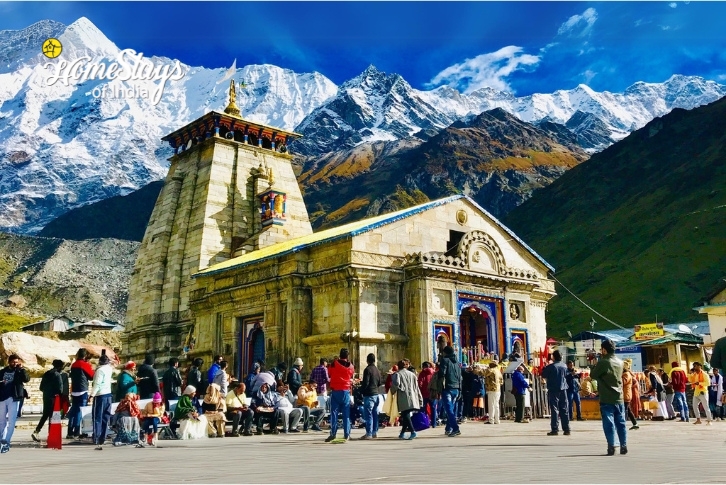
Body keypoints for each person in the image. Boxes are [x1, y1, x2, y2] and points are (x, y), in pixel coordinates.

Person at [590, 340, 627, 456]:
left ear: (604, 350)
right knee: (621, 422)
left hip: (606, 397)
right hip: (619, 397)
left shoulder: (604, 362)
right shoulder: (620, 362)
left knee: (609, 423)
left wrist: (594, 364)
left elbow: (593, 375)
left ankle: (611, 445)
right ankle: (623, 445)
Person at [325, 348, 355, 442]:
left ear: (340, 355)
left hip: (335, 391)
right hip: (345, 391)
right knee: (346, 414)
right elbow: (351, 375)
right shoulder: (351, 366)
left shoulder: (334, 364)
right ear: (347, 356)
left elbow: (329, 373)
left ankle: (333, 433)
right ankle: (347, 434)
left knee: (334, 413)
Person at [31, 359, 64, 443]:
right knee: (52, 417)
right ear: (60, 367)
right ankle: (51, 435)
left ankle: (36, 431)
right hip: (54, 398)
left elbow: (41, 387)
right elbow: (60, 389)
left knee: (45, 415)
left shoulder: (46, 374)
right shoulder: (57, 375)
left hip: (46, 396)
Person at [391, 359, 423, 440]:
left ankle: (412, 431)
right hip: (412, 396)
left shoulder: (397, 374)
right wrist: (419, 398)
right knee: (406, 414)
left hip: (403, 396)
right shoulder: (412, 374)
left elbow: (396, 384)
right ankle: (402, 433)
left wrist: (391, 392)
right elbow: (416, 387)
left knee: (405, 414)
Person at [541, 350, 571, 436]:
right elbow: (567, 375)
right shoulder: (564, 366)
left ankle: (555, 429)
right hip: (563, 389)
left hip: (553, 389)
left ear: (553, 357)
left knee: (554, 409)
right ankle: (567, 429)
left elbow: (543, 374)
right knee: (564, 409)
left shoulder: (551, 366)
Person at [89, 351, 114, 450]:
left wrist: (91, 395)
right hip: (108, 395)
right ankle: (102, 437)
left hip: (100, 395)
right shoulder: (109, 369)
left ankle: (96, 438)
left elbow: (97, 384)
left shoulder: (100, 371)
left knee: (97, 417)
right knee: (105, 418)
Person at [68, 348, 94, 439]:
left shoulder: (74, 364)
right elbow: (92, 376)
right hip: (82, 390)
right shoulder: (85, 364)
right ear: (85, 356)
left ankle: (70, 432)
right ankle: (76, 432)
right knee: (80, 411)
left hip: (74, 390)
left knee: (74, 411)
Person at [438, 345, 462, 437]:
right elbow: (460, 378)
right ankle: (448, 428)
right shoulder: (457, 363)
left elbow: (442, 374)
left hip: (448, 388)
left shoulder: (445, 360)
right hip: (456, 388)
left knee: (448, 410)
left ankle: (455, 428)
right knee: (451, 409)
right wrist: (460, 390)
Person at [360, 353, 383, 439]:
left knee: (368, 415)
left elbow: (365, 383)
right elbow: (380, 382)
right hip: (376, 395)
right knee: (375, 414)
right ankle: (374, 432)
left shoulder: (367, 370)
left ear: (367, 360)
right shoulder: (377, 370)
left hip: (369, 395)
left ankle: (368, 433)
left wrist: (361, 390)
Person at [621, 359, 639, 430]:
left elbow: (622, 382)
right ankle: (635, 423)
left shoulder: (626, 374)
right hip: (625, 394)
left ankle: (623, 424)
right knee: (628, 410)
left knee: (624, 410)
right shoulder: (626, 374)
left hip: (626, 395)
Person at [418, 361, 436, 428]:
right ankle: (434, 424)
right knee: (433, 408)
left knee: (423, 409)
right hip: (433, 393)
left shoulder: (422, 373)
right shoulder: (434, 373)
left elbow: (420, 383)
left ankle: (425, 422)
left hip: (424, 393)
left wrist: (419, 391)